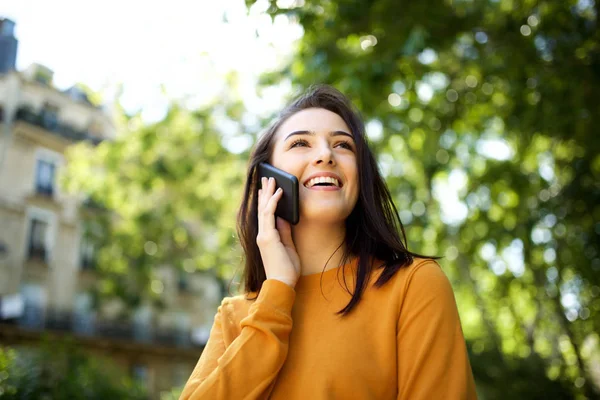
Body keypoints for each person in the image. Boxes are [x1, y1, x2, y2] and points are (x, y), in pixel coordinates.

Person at [180, 85, 477, 399]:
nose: (325, 154)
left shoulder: (414, 286)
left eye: (343, 145)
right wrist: (276, 295)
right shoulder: (236, 316)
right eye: (301, 143)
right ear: (267, 178)